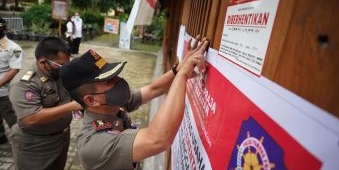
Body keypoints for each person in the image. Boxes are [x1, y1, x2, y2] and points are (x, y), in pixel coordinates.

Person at [59, 36, 209, 169]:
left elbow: (153, 89)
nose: (120, 81)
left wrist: (178, 69)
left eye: (116, 75)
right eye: (110, 80)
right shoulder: (93, 143)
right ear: (91, 100)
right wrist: (182, 76)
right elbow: (157, 139)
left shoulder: (113, 104)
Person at [9, 37, 82, 170]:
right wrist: (73, 106)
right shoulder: (24, 83)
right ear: (43, 62)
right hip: (35, 145)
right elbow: (31, 118)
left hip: (62, 138)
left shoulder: (58, 73)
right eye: (61, 65)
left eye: (67, 64)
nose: (65, 68)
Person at [0, 17, 24, 145]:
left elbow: (14, 69)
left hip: (4, 92)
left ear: (5, 29)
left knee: (11, 117)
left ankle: (22, 142)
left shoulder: (14, 48)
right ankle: (1, 137)